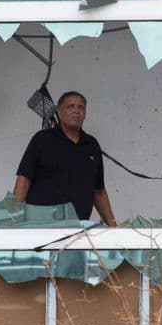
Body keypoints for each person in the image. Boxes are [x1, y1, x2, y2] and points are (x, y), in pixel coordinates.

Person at [13, 91, 117, 226]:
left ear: (85, 114)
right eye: (70, 107)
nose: (76, 111)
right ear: (60, 112)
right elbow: (23, 180)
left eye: (81, 108)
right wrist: (13, 223)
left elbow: (99, 191)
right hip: (42, 226)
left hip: (78, 228)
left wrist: (113, 226)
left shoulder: (92, 145)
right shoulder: (42, 140)